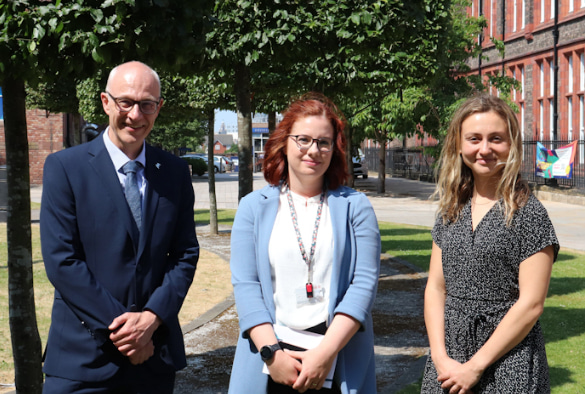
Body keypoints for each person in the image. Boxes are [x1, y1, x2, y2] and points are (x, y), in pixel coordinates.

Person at [40, 61, 199, 393]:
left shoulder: (174, 172)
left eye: (147, 104)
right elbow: (62, 261)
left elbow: (185, 254)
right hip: (82, 361)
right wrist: (128, 332)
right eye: (126, 102)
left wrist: (152, 318)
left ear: (159, 108)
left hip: (154, 360)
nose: (136, 115)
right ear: (105, 102)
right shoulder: (65, 168)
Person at [228, 93, 381, 393]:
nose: (314, 150)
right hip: (270, 361)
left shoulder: (356, 207)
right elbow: (246, 286)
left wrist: (324, 355)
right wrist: (272, 354)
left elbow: (364, 285)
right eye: (303, 139)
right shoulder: (252, 207)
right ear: (284, 143)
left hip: (337, 359)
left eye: (324, 142)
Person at [422, 94, 559, 393]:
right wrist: (439, 357)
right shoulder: (450, 209)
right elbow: (435, 287)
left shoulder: (529, 214)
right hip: (448, 358)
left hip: (507, 360)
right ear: (459, 145)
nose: (484, 149)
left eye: (496, 139)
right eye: (474, 138)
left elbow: (531, 304)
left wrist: (475, 366)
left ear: (511, 145)